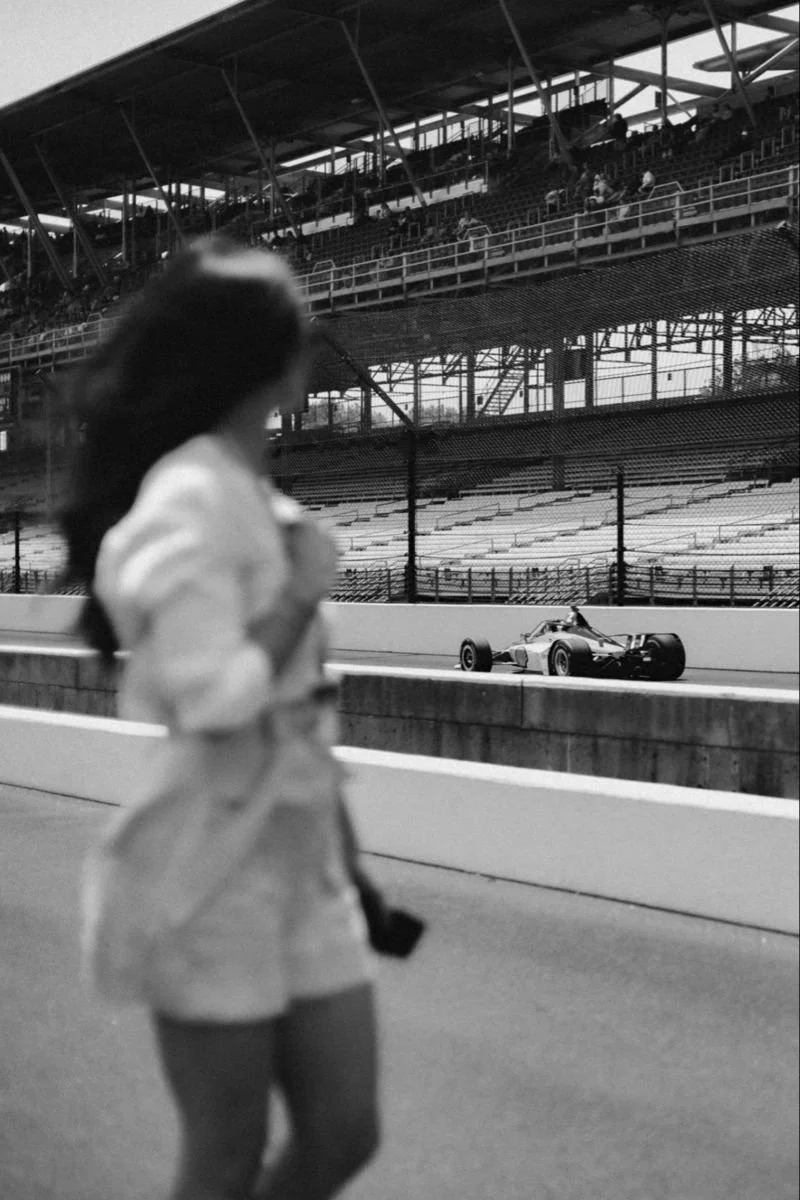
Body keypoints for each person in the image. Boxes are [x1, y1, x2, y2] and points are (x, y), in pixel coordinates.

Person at [59, 238, 382, 1200]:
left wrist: (350, 861)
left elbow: (297, 716)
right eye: (302, 330)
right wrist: (302, 593)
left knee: (344, 1133)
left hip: (300, 857)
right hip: (205, 867)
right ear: (266, 362)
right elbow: (218, 699)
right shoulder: (189, 494)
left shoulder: (251, 493)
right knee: (226, 1152)